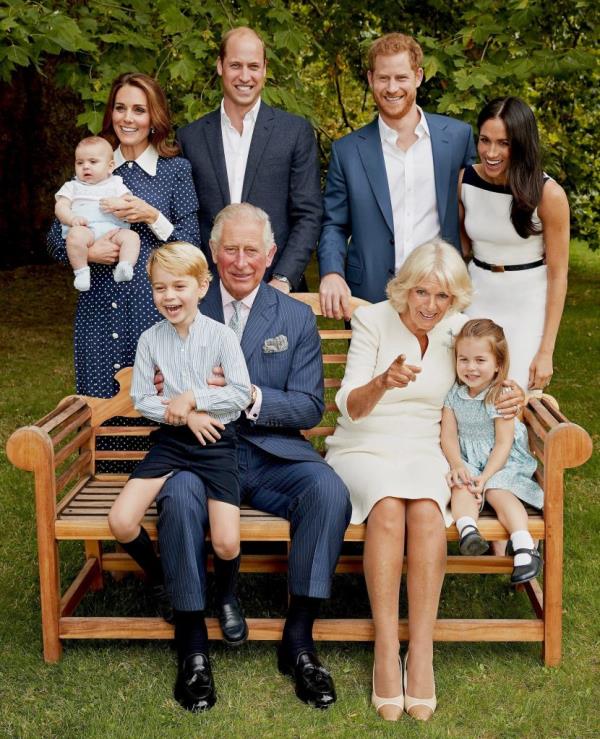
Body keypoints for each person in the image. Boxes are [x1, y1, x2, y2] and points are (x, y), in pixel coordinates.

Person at [155, 203, 351, 713]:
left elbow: (309, 407)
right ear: (213, 254)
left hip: (271, 453)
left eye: (251, 251)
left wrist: (249, 396)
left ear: (270, 255)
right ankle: (193, 645)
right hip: (199, 452)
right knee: (176, 497)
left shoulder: (294, 316)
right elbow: (158, 376)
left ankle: (300, 639)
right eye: (230, 249)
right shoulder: (186, 303)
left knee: (328, 490)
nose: (241, 262)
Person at [324, 241, 524, 721]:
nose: (430, 306)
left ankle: (424, 651)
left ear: (455, 299)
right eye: (422, 293)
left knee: (430, 513)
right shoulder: (373, 320)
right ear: (405, 289)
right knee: (389, 507)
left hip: (426, 447)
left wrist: (514, 393)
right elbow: (347, 405)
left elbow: (492, 369)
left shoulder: (457, 331)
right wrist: (382, 382)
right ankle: (386, 648)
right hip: (365, 442)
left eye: (443, 296)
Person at [107, 242, 251, 640]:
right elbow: (141, 399)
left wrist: (195, 398)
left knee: (224, 541)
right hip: (172, 440)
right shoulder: (150, 340)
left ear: (202, 287)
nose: (169, 296)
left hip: (216, 441)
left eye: (179, 286)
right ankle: (160, 579)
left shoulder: (222, 336)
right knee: (120, 520)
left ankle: (226, 597)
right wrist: (185, 414)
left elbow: (240, 393)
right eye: (159, 288)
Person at [47, 72, 200, 397]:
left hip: (153, 308)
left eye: (139, 110)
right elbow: (53, 239)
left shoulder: (175, 171)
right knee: (100, 405)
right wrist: (88, 254)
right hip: (98, 308)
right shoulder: (92, 164)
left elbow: (191, 246)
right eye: (120, 108)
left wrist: (152, 216)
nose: (127, 118)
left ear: (154, 117)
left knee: (157, 406)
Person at [318, 32, 476, 318]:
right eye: (383, 78)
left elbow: (477, 207)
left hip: (442, 294)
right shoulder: (347, 151)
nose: (392, 88)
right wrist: (331, 272)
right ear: (370, 79)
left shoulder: (457, 138)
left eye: (401, 77)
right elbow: (334, 225)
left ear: (418, 76)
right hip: (369, 295)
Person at [177, 26, 321, 293]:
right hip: (209, 291)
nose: (245, 76)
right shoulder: (190, 137)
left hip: (276, 287)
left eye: (253, 66)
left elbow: (308, 215)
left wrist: (283, 278)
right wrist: (200, 277)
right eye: (235, 65)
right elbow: (187, 217)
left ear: (265, 68)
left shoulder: (294, 132)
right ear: (220, 66)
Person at [460, 96, 570, 393]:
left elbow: (559, 275)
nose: (491, 152)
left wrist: (546, 351)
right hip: (477, 298)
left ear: (521, 144)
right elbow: (461, 249)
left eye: (503, 143)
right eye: (484, 140)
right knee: (471, 394)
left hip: (527, 305)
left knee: (514, 398)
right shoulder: (465, 181)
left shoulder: (549, 195)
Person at [441, 319, 543, 586]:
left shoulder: (501, 394)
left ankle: (523, 546)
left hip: (501, 462)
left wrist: (485, 478)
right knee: (461, 486)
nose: (470, 367)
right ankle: (469, 531)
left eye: (480, 360)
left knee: (497, 491)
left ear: (498, 363)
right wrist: (456, 464)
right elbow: (449, 436)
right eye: (463, 359)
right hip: (469, 460)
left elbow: (503, 444)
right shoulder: (454, 394)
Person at [55, 136, 140, 291]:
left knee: (132, 237)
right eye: (80, 163)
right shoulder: (72, 186)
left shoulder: (116, 184)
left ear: (110, 166)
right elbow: (61, 206)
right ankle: (81, 271)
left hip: (114, 230)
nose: (85, 167)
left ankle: (125, 266)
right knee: (75, 237)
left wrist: (119, 203)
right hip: (85, 229)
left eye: (93, 162)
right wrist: (71, 219)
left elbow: (130, 203)